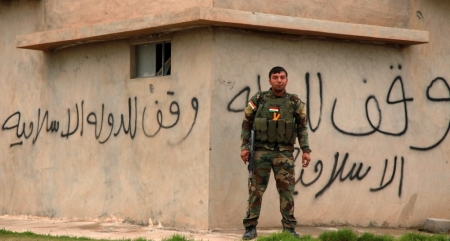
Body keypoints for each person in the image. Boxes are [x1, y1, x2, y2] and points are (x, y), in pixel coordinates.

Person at [240, 66, 311, 240]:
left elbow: (302, 128)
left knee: (287, 192)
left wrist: (305, 150)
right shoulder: (259, 99)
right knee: (256, 191)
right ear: (269, 80)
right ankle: (250, 228)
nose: (279, 80)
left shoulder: (294, 102)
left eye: (282, 77)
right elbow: (246, 123)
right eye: (275, 77)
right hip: (261, 152)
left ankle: (289, 229)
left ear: (287, 80)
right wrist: (244, 147)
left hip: (284, 153)